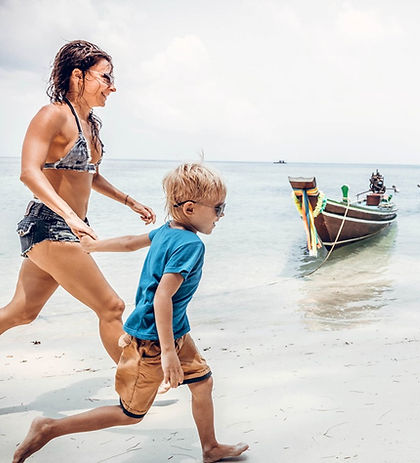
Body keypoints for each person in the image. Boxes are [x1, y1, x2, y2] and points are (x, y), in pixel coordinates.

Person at [12, 163, 248, 463]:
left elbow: (129, 243)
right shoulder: (190, 245)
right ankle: (49, 428)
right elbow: (163, 299)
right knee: (129, 413)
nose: (221, 214)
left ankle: (210, 447)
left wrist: (93, 247)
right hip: (154, 339)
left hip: (174, 331)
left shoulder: (167, 231)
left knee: (202, 382)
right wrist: (168, 354)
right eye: (218, 208)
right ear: (190, 208)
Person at [0, 40, 155, 362]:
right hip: (48, 225)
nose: (112, 87)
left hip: (68, 227)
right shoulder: (52, 115)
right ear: (77, 76)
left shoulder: (89, 124)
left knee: (22, 312)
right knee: (111, 306)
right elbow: (29, 173)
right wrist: (70, 217)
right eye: (105, 77)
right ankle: (136, 387)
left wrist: (129, 201)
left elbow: (89, 175)